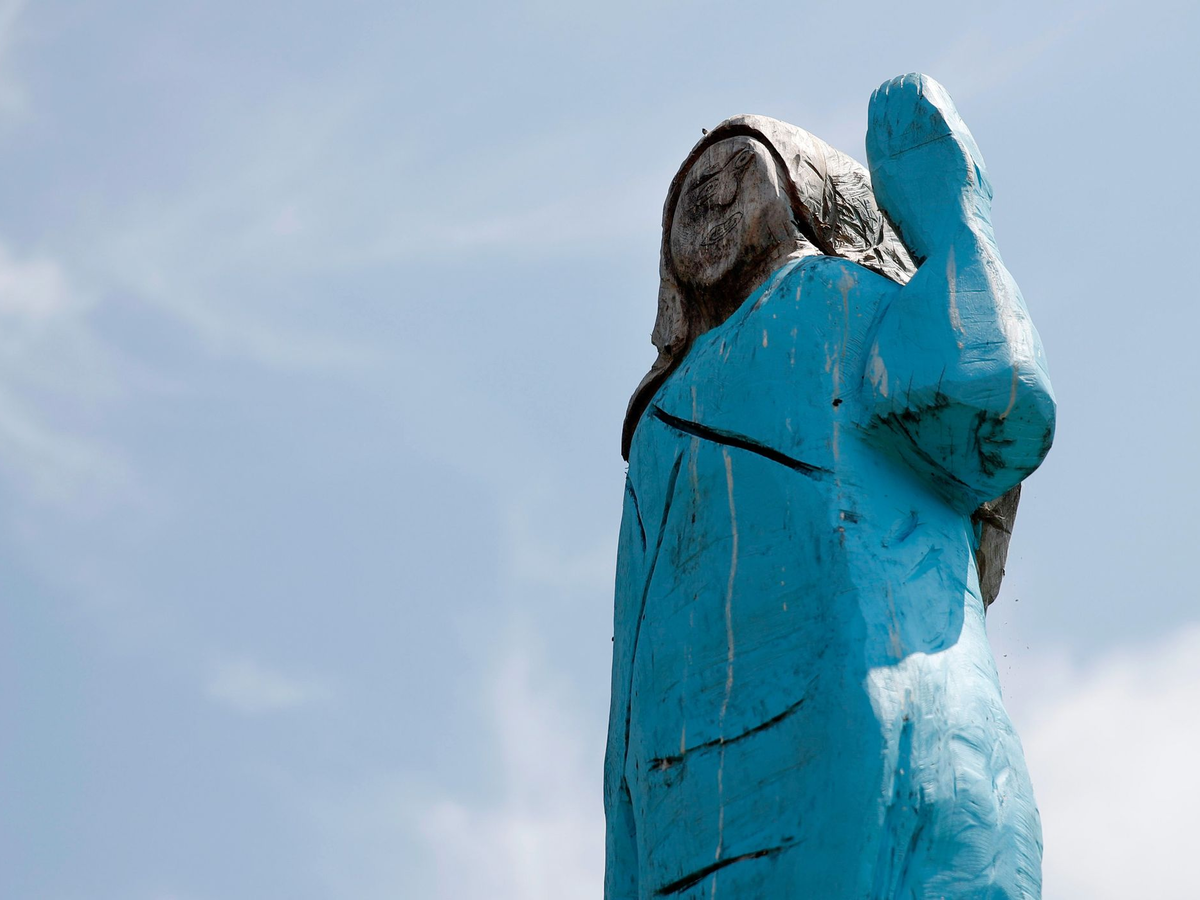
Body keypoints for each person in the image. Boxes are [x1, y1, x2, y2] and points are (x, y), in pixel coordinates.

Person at [604, 74, 1055, 899]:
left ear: (801, 192)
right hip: (684, 815)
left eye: (737, 173)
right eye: (690, 192)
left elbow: (1000, 396)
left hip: (868, 721)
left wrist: (951, 218)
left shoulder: (832, 299)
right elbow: (625, 697)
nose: (709, 200)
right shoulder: (656, 430)